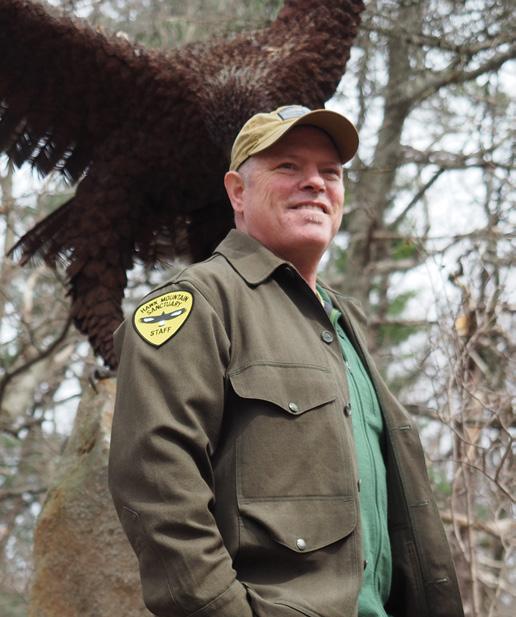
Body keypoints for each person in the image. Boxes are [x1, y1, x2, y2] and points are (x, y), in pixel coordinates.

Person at [108, 105, 464, 617]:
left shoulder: (345, 321)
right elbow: (154, 483)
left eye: (330, 173)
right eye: (288, 166)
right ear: (237, 192)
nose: (315, 183)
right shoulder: (198, 304)